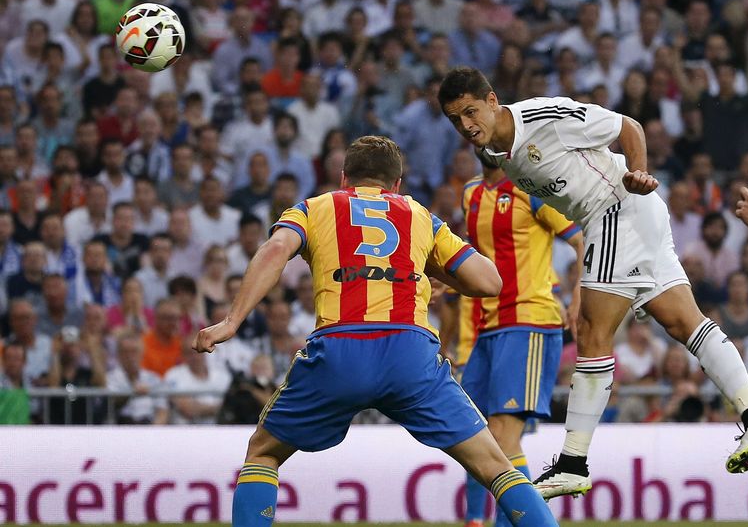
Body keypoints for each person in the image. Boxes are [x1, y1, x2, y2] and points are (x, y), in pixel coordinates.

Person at [439, 67, 748, 500]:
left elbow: (628, 126)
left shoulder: (543, 116)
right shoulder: (498, 153)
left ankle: (572, 462)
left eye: (471, 111)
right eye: (456, 119)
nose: (467, 125)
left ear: (492, 101)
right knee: (684, 324)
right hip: (630, 218)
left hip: (618, 209)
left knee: (591, 332)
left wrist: (639, 174)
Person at [193, 135, 556, 526]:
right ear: (396, 184)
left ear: (344, 178)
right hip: (409, 353)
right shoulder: (420, 216)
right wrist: (429, 268)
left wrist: (232, 320)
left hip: (339, 349)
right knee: (495, 465)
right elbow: (489, 282)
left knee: (263, 452)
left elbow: (276, 249)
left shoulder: (315, 207)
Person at [457, 162, 583, 527]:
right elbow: (482, 257)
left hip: (528, 321)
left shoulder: (533, 190)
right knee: (476, 436)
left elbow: (580, 237)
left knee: (500, 436)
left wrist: (578, 293)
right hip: (487, 326)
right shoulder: (471, 193)